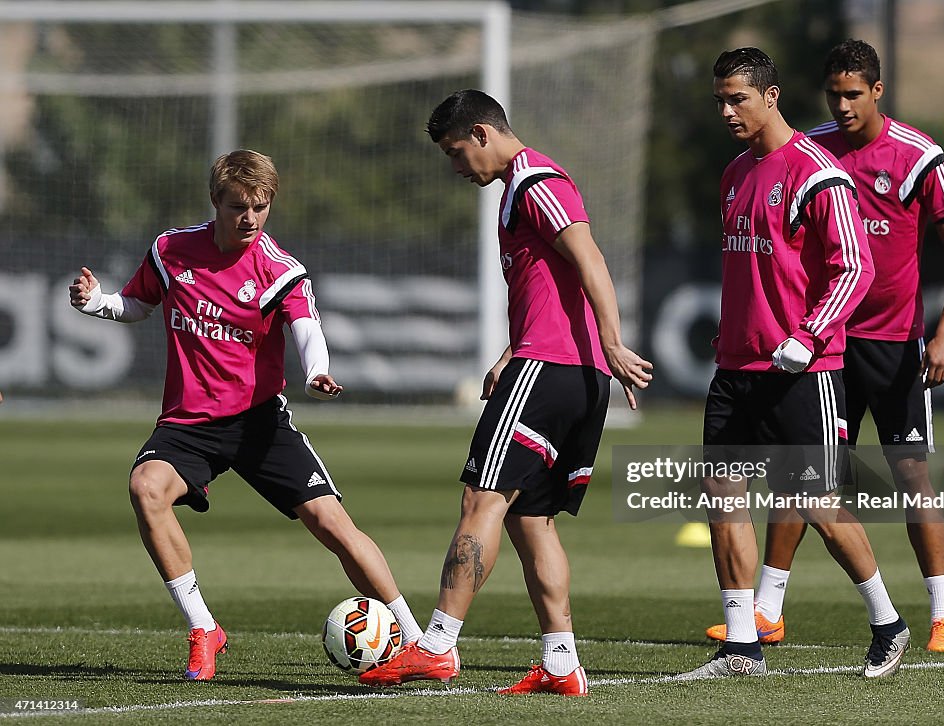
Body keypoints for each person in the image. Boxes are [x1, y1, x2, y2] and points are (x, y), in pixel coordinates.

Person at [69, 149, 423, 681]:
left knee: (333, 526)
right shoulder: (171, 250)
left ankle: (418, 639)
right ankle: (203, 629)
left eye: (261, 207)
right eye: (239, 207)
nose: (251, 218)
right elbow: (138, 305)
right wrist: (97, 301)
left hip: (259, 423)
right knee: (145, 487)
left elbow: (307, 328)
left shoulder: (279, 269)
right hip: (188, 425)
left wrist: (315, 373)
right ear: (215, 202)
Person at [358, 89, 653, 696]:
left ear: (484, 134)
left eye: (456, 151)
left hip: (552, 372)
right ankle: (561, 661)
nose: (456, 167)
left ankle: (437, 645)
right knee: (532, 520)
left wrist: (614, 340)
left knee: (480, 502)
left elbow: (590, 259)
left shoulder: (535, 182)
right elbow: (551, 287)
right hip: (571, 372)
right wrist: (509, 352)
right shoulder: (522, 188)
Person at [706, 40, 944, 655]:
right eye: (834, 93)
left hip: (882, 340)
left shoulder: (912, 155)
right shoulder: (772, 159)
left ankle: (935, 613)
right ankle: (759, 620)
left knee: (901, 476)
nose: (843, 103)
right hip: (792, 349)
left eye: (854, 92)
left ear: (877, 90)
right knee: (778, 487)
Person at [686, 47, 909, 681]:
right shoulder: (733, 175)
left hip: (802, 373)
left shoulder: (817, 173)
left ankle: (888, 623)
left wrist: (810, 336)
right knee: (723, 501)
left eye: (739, 99)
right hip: (735, 370)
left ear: (771, 96)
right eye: (721, 101)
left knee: (817, 503)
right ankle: (740, 646)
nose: (728, 112)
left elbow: (857, 267)